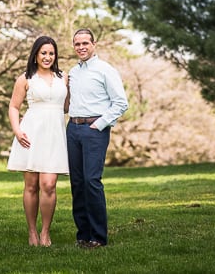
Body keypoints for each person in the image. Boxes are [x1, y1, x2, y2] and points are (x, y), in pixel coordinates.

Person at [67, 28, 128, 248]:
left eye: (85, 43)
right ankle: (83, 234)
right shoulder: (72, 72)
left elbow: (121, 102)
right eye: (77, 44)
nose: (81, 47)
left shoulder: (105, 70)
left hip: (94, 130)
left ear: (94, 44)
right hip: (72, 129)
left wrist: (99, 124)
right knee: (77, 182)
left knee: (91, 181)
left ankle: (98, 237)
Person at [7, 36, 70, 247]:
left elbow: (67, 106)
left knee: (49, 184)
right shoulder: (25, 78)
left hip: (55, 135)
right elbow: (14, 107)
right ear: (35, 54)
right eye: (43, 53)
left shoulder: (64, 77)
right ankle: (32, 232)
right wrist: (17, 130)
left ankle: (45, 232)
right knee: (32, 185)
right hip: (31, 134)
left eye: (51, 53)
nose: (47, 57)